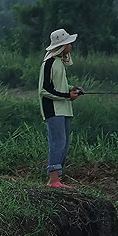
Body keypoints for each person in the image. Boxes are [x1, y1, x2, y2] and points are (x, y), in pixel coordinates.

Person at [39, 28, 83, 189]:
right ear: (61, 45)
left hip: (64, 109)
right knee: (58, 142)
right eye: (68, 43)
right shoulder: (49, 62)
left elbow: (59, 85)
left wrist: (73, 88)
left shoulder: (58, 63)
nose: (70, 45)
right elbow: (44, 89)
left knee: (64, 143)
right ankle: (53, 180)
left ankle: (56, 179)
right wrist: (67, 96)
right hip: (53, 109)